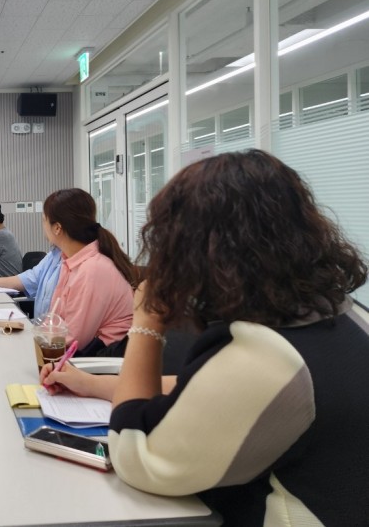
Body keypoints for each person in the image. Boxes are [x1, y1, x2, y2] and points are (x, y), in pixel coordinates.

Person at [41, 150, 369, 526]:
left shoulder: (268, 357)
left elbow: (135, 457)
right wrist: (90, 384)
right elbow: (199, 389)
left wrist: (146, 321)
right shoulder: (341, 316)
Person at [40, 188, 137, 354]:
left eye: (44, 220)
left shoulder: (92, 269)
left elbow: (75, 339)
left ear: (57, 228)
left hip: (100, 357)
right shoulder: (71, 262)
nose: (43, 225)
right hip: (84, 352)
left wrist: (37, 341)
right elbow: (56, 319)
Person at [0, 247, 61, 319]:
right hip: (41, 328)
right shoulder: (53, 254)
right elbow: (28, 279)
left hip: (55, 331)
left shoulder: (65, 263)